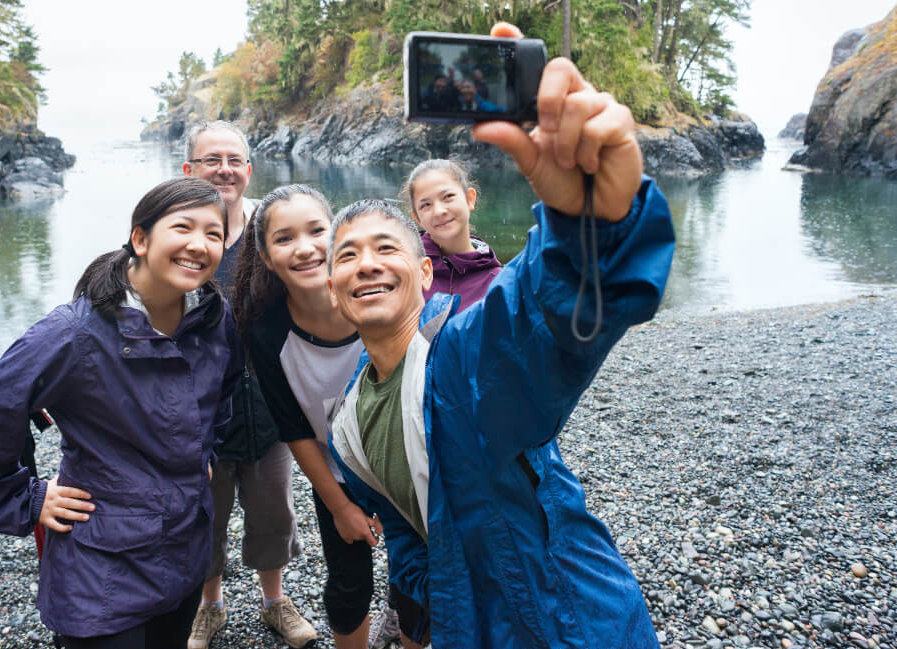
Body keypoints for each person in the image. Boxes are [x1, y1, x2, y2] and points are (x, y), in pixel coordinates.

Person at [324, 22, 676, 649]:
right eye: (347, 257)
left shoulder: (459, 359)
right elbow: (404, 527)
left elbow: (541, 314)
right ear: (332, 289)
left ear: (426, 273)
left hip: (569, 618)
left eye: (386, 248)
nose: (368, 264)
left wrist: (592, 221)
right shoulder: (346, 422)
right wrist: (437, 588)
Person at [0, 177, 242, 649]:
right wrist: (27, 498)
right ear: (140, 239)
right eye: (183, 227)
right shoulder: (77, 332)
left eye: (214, 234)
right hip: (101, 561)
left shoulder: (212, 317)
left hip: (184, 544)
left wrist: (206, 449)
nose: (199, 245)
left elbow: (224, 389)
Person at [230, 184, 403, 649]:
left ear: (338, 235)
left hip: (411, 467)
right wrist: (340, 506)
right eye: (284, 238)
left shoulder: (375, 297)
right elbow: (294, 428)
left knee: (417, 580)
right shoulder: (267, 335)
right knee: (349, 588)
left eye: (317, 231)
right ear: (265, 257)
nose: (305, 248)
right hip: (340, 475)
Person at [181, 121, 317, 649]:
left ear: (249, 168)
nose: (224, 169)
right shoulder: (178, 231)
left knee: (272, 511)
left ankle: (274, 601)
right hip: (196, 411)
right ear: (189, 169)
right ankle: (208, 607)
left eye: (234, 159)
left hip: (271, 401)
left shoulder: (271, 228)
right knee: (205, 514)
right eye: (211, 159)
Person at [399, 159, 502, 312]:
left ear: (470, 199)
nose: (439, 211)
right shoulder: (404, 268)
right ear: (416, 218)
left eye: (447, 197)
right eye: (426, 205)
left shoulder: (496, 281)